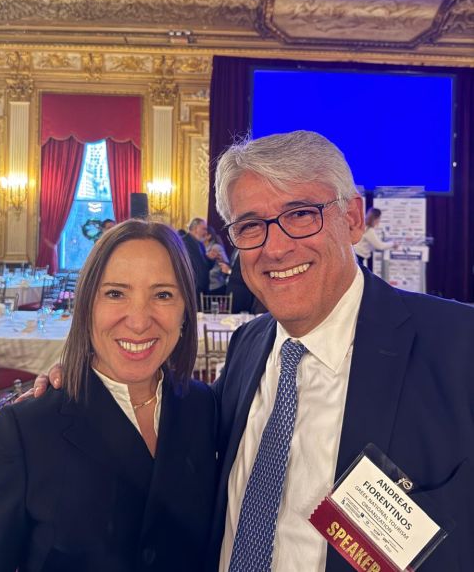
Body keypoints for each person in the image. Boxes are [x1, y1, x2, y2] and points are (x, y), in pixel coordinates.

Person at [31, 131, 474, 572]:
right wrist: (93, 380)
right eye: (250, 226)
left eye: (301, 214)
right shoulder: (248, 345)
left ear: (354, 219)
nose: (275, 248)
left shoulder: (458, 348)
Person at [0, 220, 217, 571]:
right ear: (87, 305)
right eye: (115, 293)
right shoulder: (24, 431)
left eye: (163, 295)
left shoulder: (205, 408)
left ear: (185, 312)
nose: (138, 321)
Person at [182, 217, 219, 308]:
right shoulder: (184, 242)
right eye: (204, 229)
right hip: (192, 291)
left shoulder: (200, 244)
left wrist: (210, 259)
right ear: (195, 229)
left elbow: (204, 267)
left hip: (201, 291)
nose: (206, 232)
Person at [204, 225, 230, 296]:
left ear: (209, 236)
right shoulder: (205, 247)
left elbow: (226, 262)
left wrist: (213, 273)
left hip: (216, 285)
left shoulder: (216, 247)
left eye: (204, 234)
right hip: (209, 284)